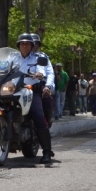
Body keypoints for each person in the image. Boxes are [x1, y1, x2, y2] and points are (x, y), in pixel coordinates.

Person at [16, 33, 56, 163]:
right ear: (18, 45)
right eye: (22, 44)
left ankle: (47, 151)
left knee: (38, 116)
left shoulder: (38, 58)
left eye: (28, 44)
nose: (25, 46)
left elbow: (44, 71)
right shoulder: (13, 58)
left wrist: (42, 77)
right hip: (14, 90)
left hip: (32, 90)